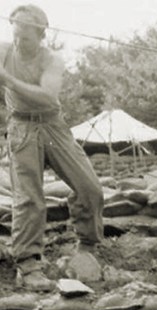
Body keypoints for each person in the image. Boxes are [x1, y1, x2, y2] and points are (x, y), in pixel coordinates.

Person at [1, 5, 104, 292]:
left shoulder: (52, 60)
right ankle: (28, 263)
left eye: (28, 33)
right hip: (21, 127)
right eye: (17, 31)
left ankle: (87, 245)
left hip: (52, 125)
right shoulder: (4, 51)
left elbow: (47, 96)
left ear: (41, 31)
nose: (21, 39)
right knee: (29, 198)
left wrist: (7, 80)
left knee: (90, 187)